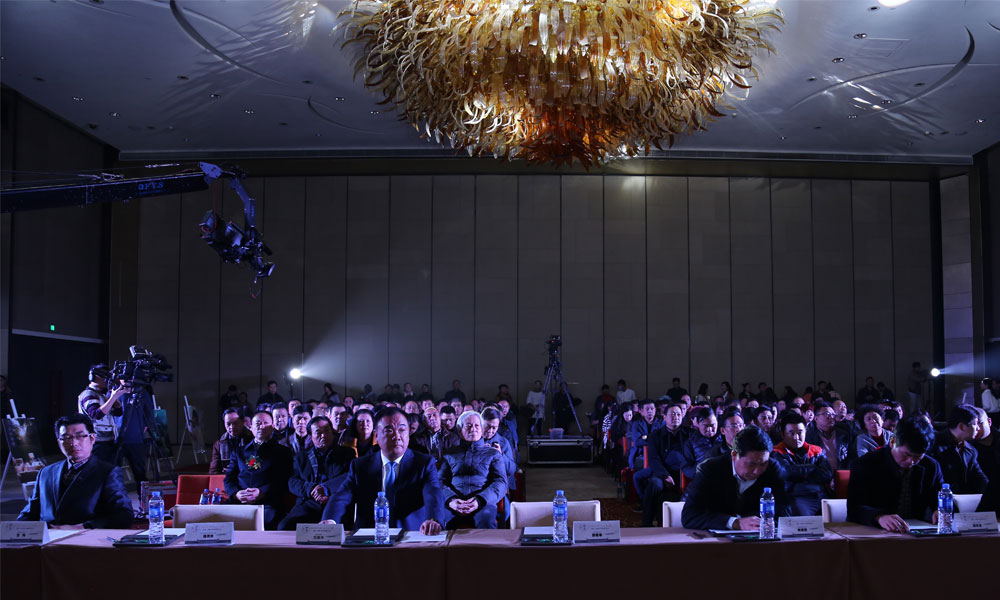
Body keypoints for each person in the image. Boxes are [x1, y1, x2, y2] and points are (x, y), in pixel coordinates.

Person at [322, 407, 444, 533]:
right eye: (389, 431)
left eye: (402, 430)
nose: (397, 436)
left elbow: (433, 494)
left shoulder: (423, 463)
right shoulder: (360, 466)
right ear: (376, 435)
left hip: (411, 534)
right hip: (370, 535)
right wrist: (330, 520)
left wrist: (433, 519)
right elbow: (341, 496)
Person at [18, 414, 134, 529]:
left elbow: (124, 515)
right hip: (48, 537)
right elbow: (30, 513)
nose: (73, 443)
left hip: (84, 538)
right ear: (59, 442)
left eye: (80, 436)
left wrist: (82, 527)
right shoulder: (46, 473)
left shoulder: (107, 472)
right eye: (66, 438)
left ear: (92, 438)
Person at [681, 426, 791, 530]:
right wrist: (734, 522)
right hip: (716, 539)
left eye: (763, 464)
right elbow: (689, 515)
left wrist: (754, 520)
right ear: (734, 455)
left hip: (759, 536)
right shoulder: (711, 469)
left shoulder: (772, 468)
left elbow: (784, 510)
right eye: (751, 464)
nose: (757, 471)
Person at [847, 416, 944, 532]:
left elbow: (940, 497)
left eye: (918, 457)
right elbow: (854, 509)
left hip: (917, 530)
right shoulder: (866, 464)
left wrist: (939, 510)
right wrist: (878, 517)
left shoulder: (931, 466)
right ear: (892, 442)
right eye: (906, 455)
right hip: (876, 531)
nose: (911, 461)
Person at [278, 416, 356, 530]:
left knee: (330, 528)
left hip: (336, 500)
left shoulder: (347, 453)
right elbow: (292, 482)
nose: (323, 435)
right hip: (310, 502)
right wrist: (312, 489)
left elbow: (349, 476)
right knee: (284, 526)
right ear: (311, 436)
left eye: (327, 431)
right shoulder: (301, 457)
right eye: (318, 432)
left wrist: (326, 488)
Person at [224, 410, 294, 530]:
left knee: (265, 519)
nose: (261, 427)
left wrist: (262, 493)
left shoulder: (283, 452)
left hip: (268, 502)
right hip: (240, 499)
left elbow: (284, 480)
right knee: (219, 516)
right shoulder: (239, 452)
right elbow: (229, 478)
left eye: (266, 423)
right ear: (251, 427)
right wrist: (236, 494)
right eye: (257, 424)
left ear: (272, 427)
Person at [439, 411, 508, 529]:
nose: (473, 429)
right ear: (459, 430)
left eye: (477, 426)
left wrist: (479, 500)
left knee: (486, 520)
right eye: (469, 426)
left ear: (482, 429)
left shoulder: (493, 453)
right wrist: (451, 500)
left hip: (483, 503)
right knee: (440, 520)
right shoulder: (449, 453)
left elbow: (500, 482)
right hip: (454, 503)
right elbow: (440, 481)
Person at [771, 411, 832, 516]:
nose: (796, 437)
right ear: (782, 434)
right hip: (795, 496)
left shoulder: (816, 450)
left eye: (800, 432)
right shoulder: (777, 451)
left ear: (805, 431)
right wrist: (814, 468)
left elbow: (827, 474)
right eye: (791, 433)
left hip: (820, 494)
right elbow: (786, 472)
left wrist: (798, 473)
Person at [635, 402, 687, 526]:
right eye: (672, 414)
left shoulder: (689, 434)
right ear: (664, 417)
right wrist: (665, 475)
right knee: (654, 484)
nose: (676, 417)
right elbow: (653, 459)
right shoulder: (655, 435)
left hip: (684, 472)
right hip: (663, 472)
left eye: (678, 414)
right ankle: (646, 523)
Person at [930, 405, 988, 494]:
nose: (978, 428)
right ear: (962, 426)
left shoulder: (970, 450)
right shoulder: (934, 446)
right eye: (975, 423)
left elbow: (979, 477)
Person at [77, 364, 126, 464]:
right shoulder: (88, 394)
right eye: (105, 377)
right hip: (97, 442)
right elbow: (96, 414)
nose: (107, 380)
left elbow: (118, 412)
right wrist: (113, 397)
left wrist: (115, 398)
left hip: (108, 441)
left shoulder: (102, 395)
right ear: (94, 377)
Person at [113, 380, 156, 486]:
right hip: (116, 439)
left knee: (139, 473)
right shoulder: (114, 392)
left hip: (136, 439)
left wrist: (143, 428)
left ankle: (142, 495)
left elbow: (149, 414)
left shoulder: (142, 393)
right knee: (114, 473)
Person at [806, 400, 853, 471]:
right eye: (827, 414)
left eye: (833, 414)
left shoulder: (843, 434)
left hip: (842, 474)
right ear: (816, 418)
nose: (831, 417)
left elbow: (851, 456)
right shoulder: (809, 436)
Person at [679, 406, 719, 480]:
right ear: (698, 424)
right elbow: (686, 468)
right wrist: (702, 470)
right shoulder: (690, 443)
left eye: (712, 425)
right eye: (705, 426)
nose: (709, 429)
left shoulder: (724, 438)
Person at [210, 408, 254, 474]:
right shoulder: (219, 444)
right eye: (228, 424)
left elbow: (255, 464)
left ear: (242, 422)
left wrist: (239, 470)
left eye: (235, 423)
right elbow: (213, 471)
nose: (232, 427)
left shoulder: (253, 440)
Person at [629, 398, 664, 469]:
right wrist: (654, 439)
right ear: (641, 411)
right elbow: (637, 442)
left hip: (658, 454)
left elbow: (663, 440)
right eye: (647, 409)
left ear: (655, 410)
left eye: (652, 409)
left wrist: (646, 437)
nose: (650, 411)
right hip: (640, 454)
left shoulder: (661, 423)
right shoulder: (636, 424)